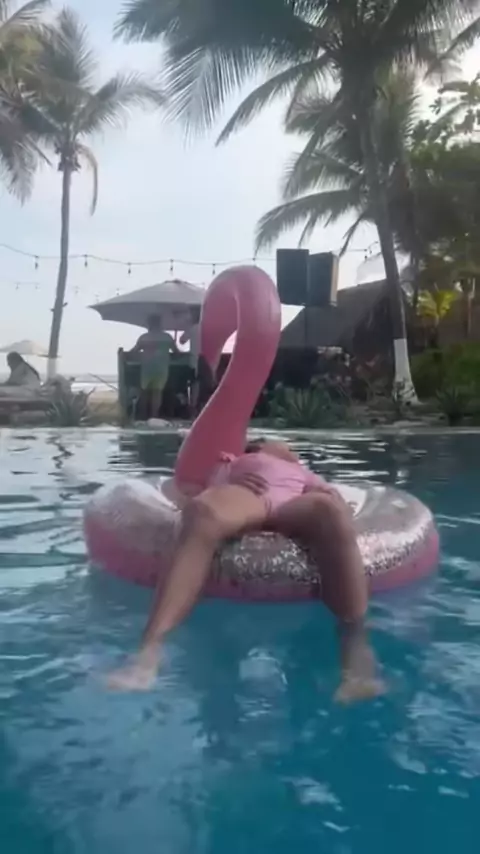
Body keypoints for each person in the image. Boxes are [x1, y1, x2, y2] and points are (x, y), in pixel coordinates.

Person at [108, 438, 384, 703]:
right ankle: (148, 652)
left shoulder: (302, 471)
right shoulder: (236, 460)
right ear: (259, 447)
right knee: (203, 512)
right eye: (281, 444)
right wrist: (227, 480)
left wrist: (328, 497)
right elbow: (210, 485)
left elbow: (328, 494)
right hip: (248, 496)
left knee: (331, 513)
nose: (289, 449)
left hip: (292, 506)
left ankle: (357, 659)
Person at [130, 315, 178, 419]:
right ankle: (154, 415)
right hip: (161, 368)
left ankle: (143, 416)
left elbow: (133, 352)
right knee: (157, 393)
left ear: (149, 324)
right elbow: (176, 352)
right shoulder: (167, 337)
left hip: (147, 368)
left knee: (144, 392)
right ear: (160, 324)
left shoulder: (144, 338)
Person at [179, 307, 202, 415]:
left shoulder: (192, 328)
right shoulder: (206, 327)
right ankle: (199, 408)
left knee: (194, 384)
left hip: (194, 360)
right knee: (202, 384)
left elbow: (182, 341)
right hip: (208, 360)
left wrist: (185, 326)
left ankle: (193, 408)